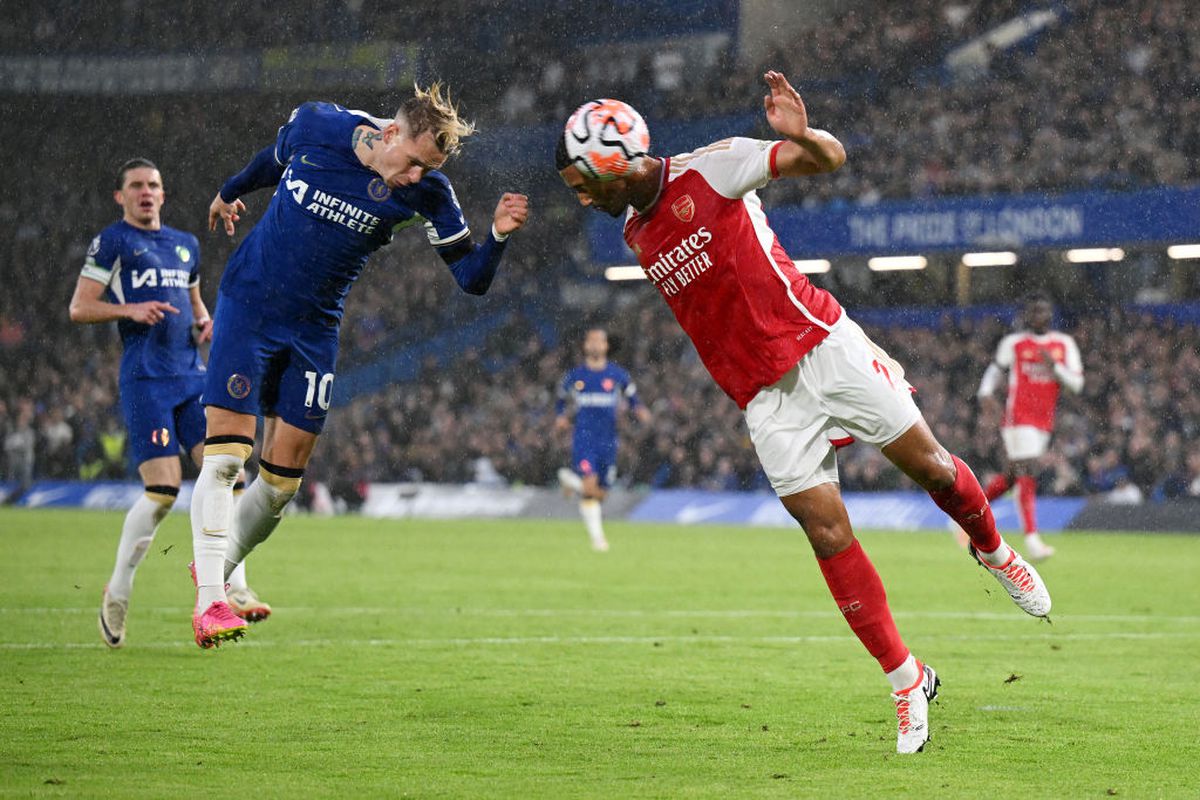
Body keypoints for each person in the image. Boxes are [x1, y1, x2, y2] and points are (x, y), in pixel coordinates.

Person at [555, 73, 1051, 755]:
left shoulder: (714, 168)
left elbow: (826, 160)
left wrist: (801, 135)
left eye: (583, 181)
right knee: (825, 532)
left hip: (823, 346)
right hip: (765, 398)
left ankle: (996, 553)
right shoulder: (635, 235)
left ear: (614, 166)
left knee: (932, 468)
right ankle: (908, 679)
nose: (579, 195)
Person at [191, 85, 529, 648]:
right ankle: (209, 604)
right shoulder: (318, 126)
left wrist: (496, 235)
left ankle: (215, 565)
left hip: (315, 331)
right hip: (250, 304)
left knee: (279, 487)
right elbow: (269, 163)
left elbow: (472, 280)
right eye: (416, 161)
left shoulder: (431, 194)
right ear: (391, 134)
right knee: (227, 458)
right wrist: (229, 191)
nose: (418, 175)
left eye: (431, 168)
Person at [69, 158, 270, 650]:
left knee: (229, 474)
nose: (145, 192)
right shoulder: (112, 242)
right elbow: (80, 306)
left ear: (163, 194)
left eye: (153, 185)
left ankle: (233, 587)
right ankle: (117, 591)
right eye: (135, 185)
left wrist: (206, 324)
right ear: (121, 196)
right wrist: (129, 309)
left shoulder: (186, 245)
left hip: (192, 376)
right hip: (146, 379)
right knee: (162, 493)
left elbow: (196, 305)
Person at [976, 295, 1083, 560]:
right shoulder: (1014, 343)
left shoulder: (1063, 344)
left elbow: (1077, 384)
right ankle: (1032, 540)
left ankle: (971, 512)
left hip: (1044, 422)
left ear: (1050, 314)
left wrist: (1054, 367)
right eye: (1035, 311)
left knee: (1014, 475)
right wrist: (985, 393)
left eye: (1044, 311)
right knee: (1029, 470)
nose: (1040, 316)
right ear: (1027, 315)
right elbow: (995, 370)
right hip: (1018, 417)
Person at [554, 328, 651, 551]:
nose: (596, 345)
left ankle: (570, 480)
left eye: (600, 341)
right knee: (589, 485)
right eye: (592, 341)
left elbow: (633, 397)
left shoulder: (617, 375)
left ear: (606, 346)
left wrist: (640, 410)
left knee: (601, 494)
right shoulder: (575, 376)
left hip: (609, 441)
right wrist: (560, 417)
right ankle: (598, 540)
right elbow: (560, 398)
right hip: (584, 439)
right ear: (585, 346)